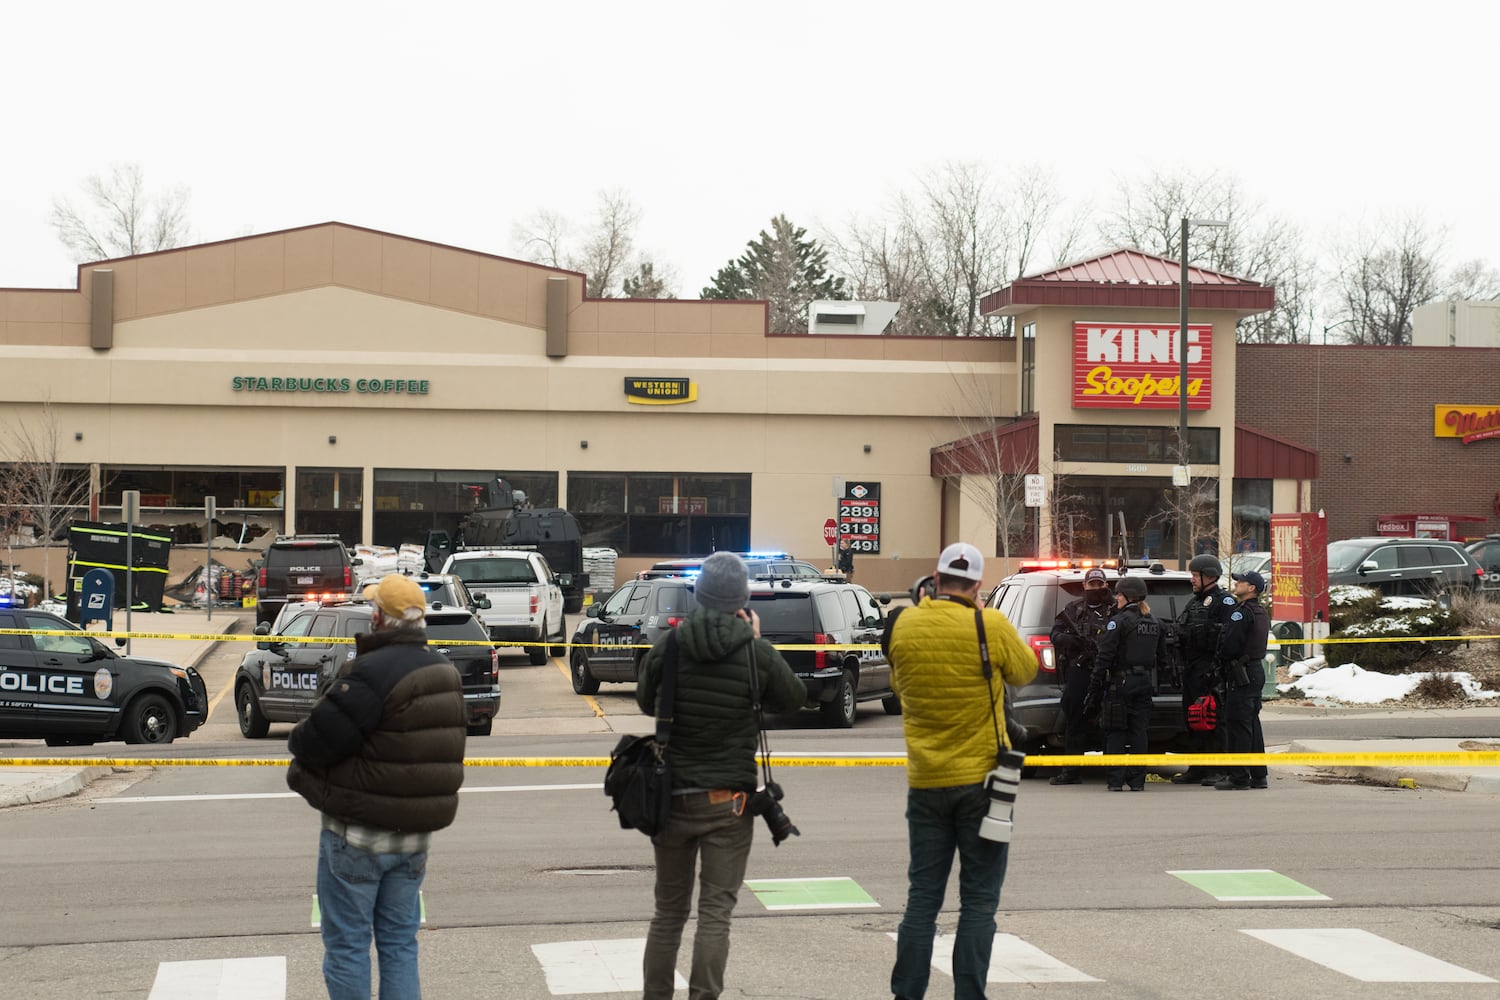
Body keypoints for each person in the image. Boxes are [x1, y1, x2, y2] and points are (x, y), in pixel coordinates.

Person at [286, 574, 467, 1000]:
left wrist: (304, 773)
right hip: (413, 841)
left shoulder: (369, 673)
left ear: (380, 618)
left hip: (358, 837)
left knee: (348, 945)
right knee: (400, 944)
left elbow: (313, 740)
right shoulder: (444, 671)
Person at [635, 551, 806, 1000]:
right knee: (716, 912)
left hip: (670, 798)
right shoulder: (755, 652)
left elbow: (644, 701)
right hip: (728, 804)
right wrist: (754, 644)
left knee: (668, 912)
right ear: (743, 600)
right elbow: (794, 698)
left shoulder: (670, 646)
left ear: (699, 594)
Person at [887, 542, 1038, 1000]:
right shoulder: (987, 623)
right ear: (976, 586)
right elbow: (1026, 671)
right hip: (983, 785)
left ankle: (907, 993)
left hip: (926, 781)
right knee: (978, 901)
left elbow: (899, 683)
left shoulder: (905, 624)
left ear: (934, 580)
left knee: (922, 900)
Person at [1085, 574, 1164, 792]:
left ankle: (1115, 781)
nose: (1116, 597)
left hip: (1120, 683)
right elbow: (1163, 658)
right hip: (1144, 683)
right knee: (1139, 732)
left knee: (1116, 731)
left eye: (1119, 594)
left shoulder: (1118, 622)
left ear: (1128, 596)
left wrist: (1093, 688)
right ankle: (1138, 781)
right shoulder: (1155, 622)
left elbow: (1104, 658)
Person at [1170, 554, 1237, 786]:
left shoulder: (1224, 601)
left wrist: (1216, 669)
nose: (1192, 580)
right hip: (1192, 670)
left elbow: (1228, 636)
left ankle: (1218, 768)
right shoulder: (1195, 602)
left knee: (1213, 720)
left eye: (1194, 575)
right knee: (1193, 719)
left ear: (1209, 576)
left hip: (1212, 670)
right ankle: (1197, 767)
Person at [1046, 567, 1114, 785]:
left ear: (1105, 586)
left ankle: (1112, 771)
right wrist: (1070, 641)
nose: (1096, 588)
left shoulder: (1114, 609)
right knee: (1075, 717)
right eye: (1092, 584)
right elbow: (1054, 634)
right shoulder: (1073, 610)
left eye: (1099, 585)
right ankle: (1071, 771)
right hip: (1081, 669)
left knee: (1112, 720)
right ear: (1084, 586)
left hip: (1108, 672)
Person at [1215, 570, 1271, 790]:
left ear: (1252, 588)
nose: (1236, 583)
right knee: (1252, 724)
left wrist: (1220, 663)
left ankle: (1239, 777)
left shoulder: (1241, 613)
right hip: (1253, 671)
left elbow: (1230, 645)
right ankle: (1258, 775)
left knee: (1238, 724)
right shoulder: (1259, 611)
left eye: (1241, 581)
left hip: (1241, 672)